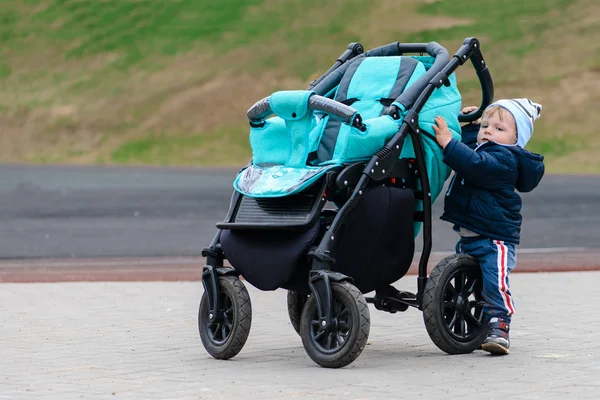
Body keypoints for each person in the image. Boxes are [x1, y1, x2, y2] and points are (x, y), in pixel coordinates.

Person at [431, 99, 545, 355]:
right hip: (471, 234)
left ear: (516, 140)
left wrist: (449, 143)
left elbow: (475, 165)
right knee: (471, 284)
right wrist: (472, 125)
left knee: (495, 284)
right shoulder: (487, 149)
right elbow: (474, 149)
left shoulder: (507, 160)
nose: (488, 130)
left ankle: (500, 325)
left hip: (495, 239)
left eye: (498, 128)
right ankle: (477, 327)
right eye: (485, 125)